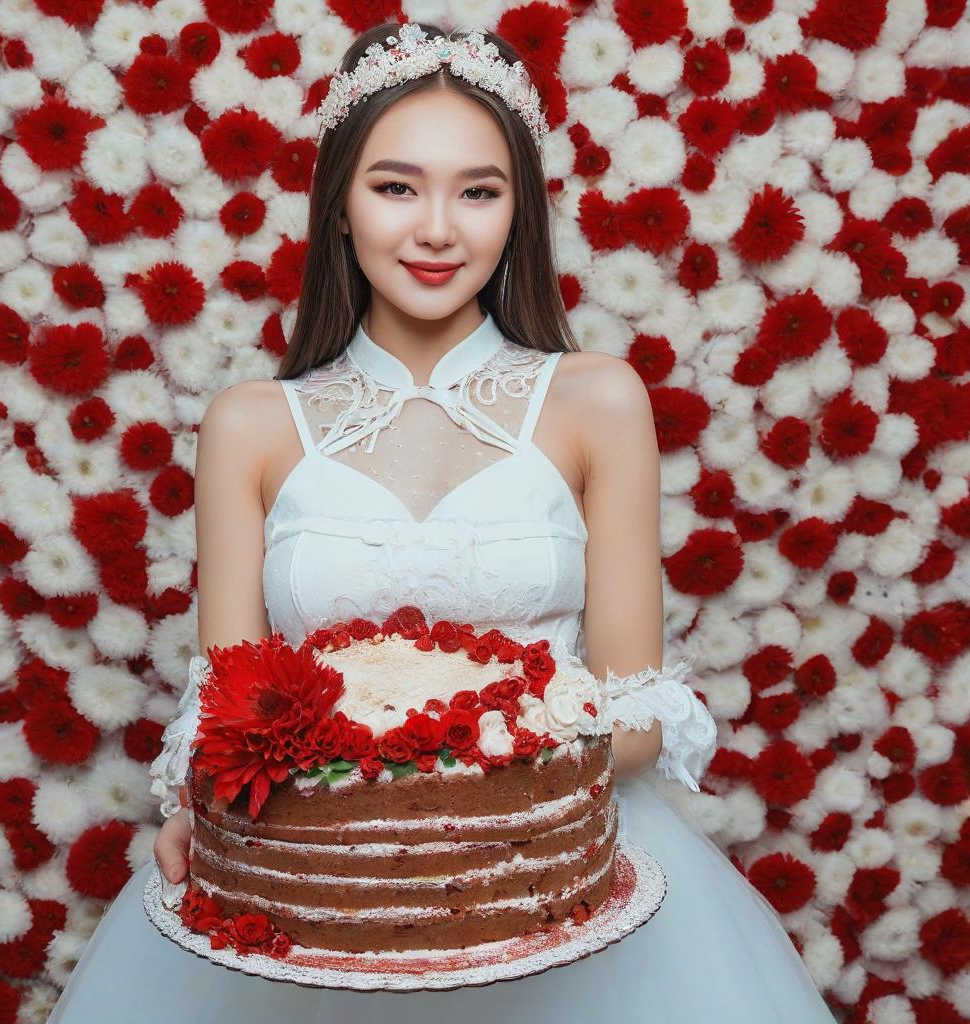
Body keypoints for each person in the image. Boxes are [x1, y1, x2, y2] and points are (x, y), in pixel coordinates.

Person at [46, 22, 840, 1023]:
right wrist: (196, 804)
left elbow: (637, 706)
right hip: (318, 904)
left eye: (478, 190)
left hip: (555, 886)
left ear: (518, 215)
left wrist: (473, 772)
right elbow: (230, 705)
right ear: (337, 202)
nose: (437, 229)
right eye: (395, 186)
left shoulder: (595, 400)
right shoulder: (250, 424)